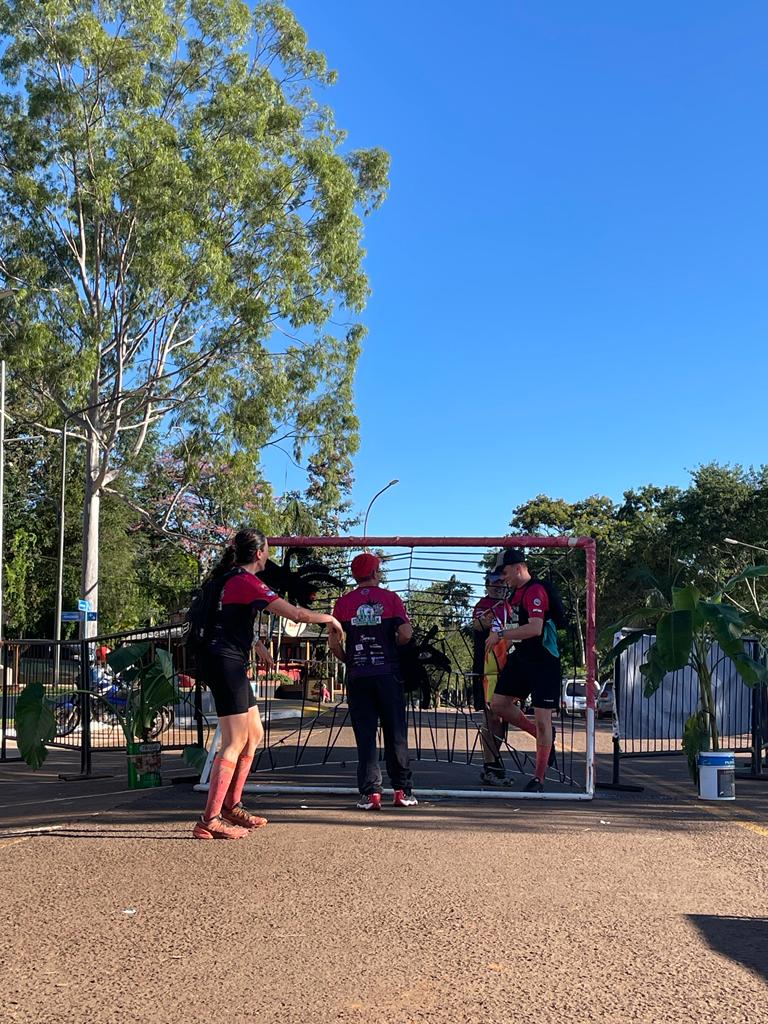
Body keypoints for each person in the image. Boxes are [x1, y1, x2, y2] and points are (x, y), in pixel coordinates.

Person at [192, 529, 345, 840]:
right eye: (268, 550)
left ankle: (231, 806)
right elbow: (296, 614)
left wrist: (256, 643)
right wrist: (330, 619)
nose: (269, 556)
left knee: (254, 734)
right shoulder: (245, 581)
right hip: (224, 662)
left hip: (225, 659)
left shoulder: (228, 579)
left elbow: (229, 619)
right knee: (234, 741)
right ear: (259, 553)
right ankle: (209, 820)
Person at [329, 553, 417, 810]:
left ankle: (371, 794)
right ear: (376, 573)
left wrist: (349, 659)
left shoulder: (343, 603)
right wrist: (395, 646)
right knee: (395, 732)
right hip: (388, 672)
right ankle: (402, 790)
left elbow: (333, 642)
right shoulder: (391, 599)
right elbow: (406, 633)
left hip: (359, 674)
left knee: (365, 734)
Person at [486, 549, 559, 793]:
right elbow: (513, 624)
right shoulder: (513, 594)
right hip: (522, 656)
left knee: (543, 719)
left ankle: (539, 778)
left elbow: (535, 628)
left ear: (518, 568)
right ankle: (540, 735)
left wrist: (501, 634)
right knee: (498, 704)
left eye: (505, 572)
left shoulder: (535, 591)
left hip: (544, 659)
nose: (502, 578)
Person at [472, 570, 513, 786]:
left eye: (502, 583)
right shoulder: (484, 604)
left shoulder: (510, 605)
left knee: (503, 717)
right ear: (487, 585)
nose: (498, 587)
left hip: (507, 667)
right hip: (487, 669)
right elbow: (478, 624)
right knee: (491, 716)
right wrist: (486, 621)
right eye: (494, 583)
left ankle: (494, 762)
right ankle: (490, 765)